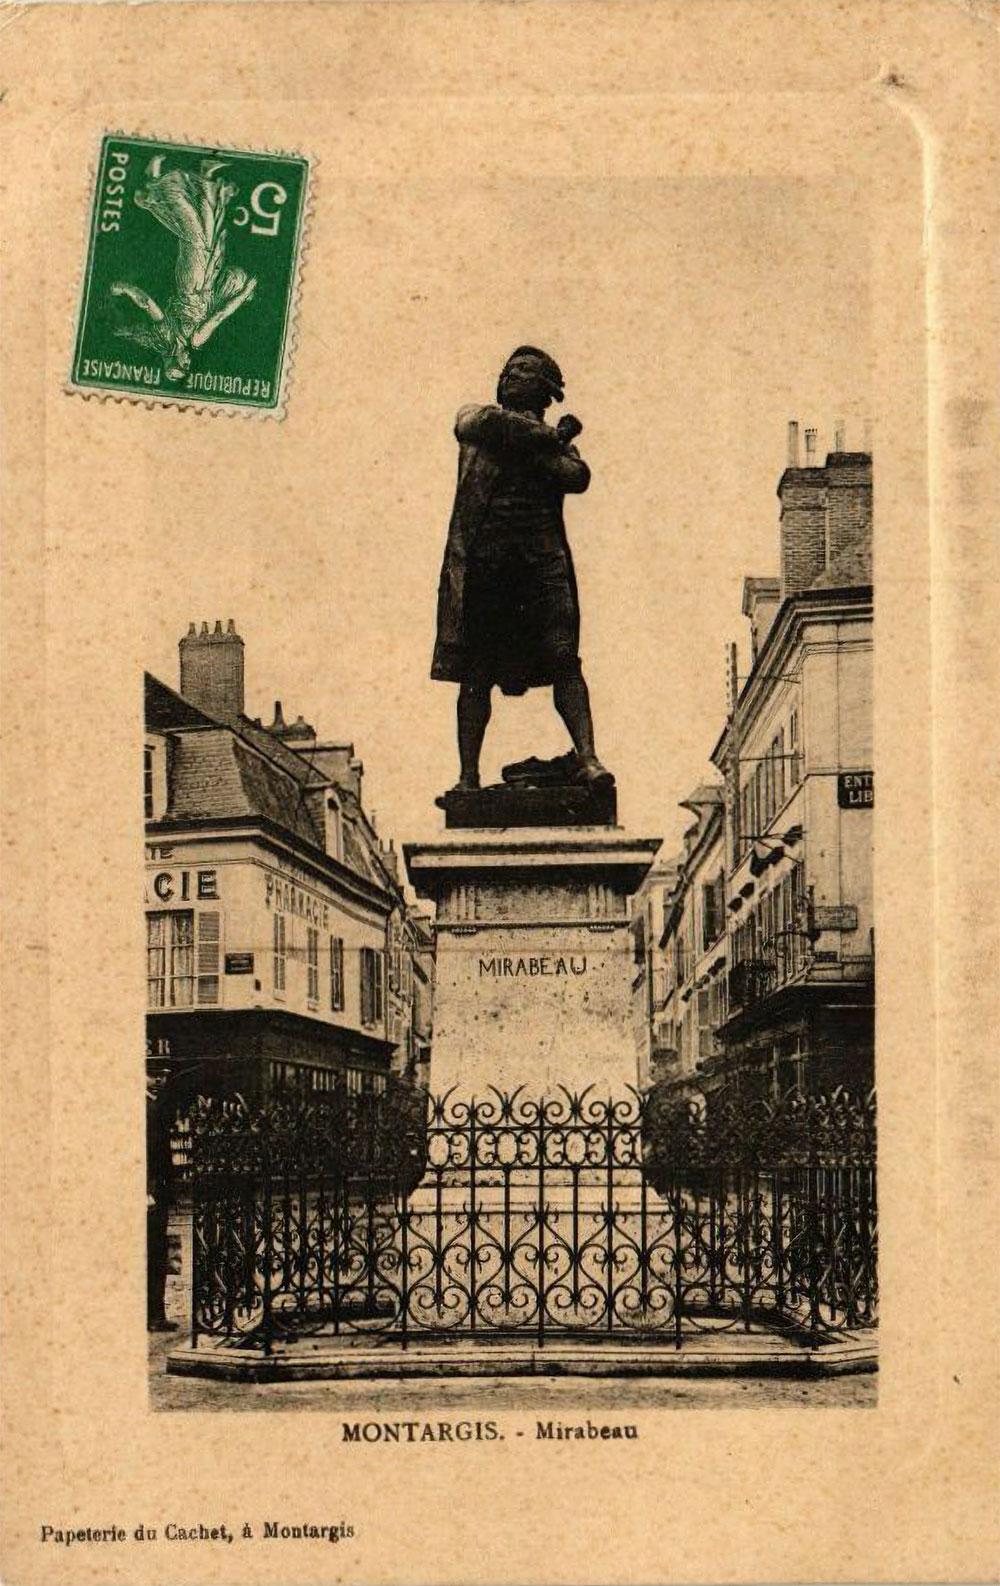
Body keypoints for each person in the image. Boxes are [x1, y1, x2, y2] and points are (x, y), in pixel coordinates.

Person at [431, 346, 612, 793]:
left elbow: (577, 477)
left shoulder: (548, 446)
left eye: (525, 370)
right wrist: (551, 437)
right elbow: (480, 425)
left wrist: (540, 446)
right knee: (476, 672)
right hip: (487, 564)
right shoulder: (480, 418)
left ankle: (588, 758)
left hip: (542, 563)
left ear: (546, 390)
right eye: (508, 369)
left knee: (564, 659)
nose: (511, 375)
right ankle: (467, 778)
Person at [146, 1068, 177, 1332]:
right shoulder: (143, 1108)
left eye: (162, 1075)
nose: (158, 1080)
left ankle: (156, 1314)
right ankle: (153, 1315)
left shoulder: (157, 1106)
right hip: (149, 1194)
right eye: (151, 1074)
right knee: (153, 1252)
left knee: (157, 1252)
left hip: (158, 1192)